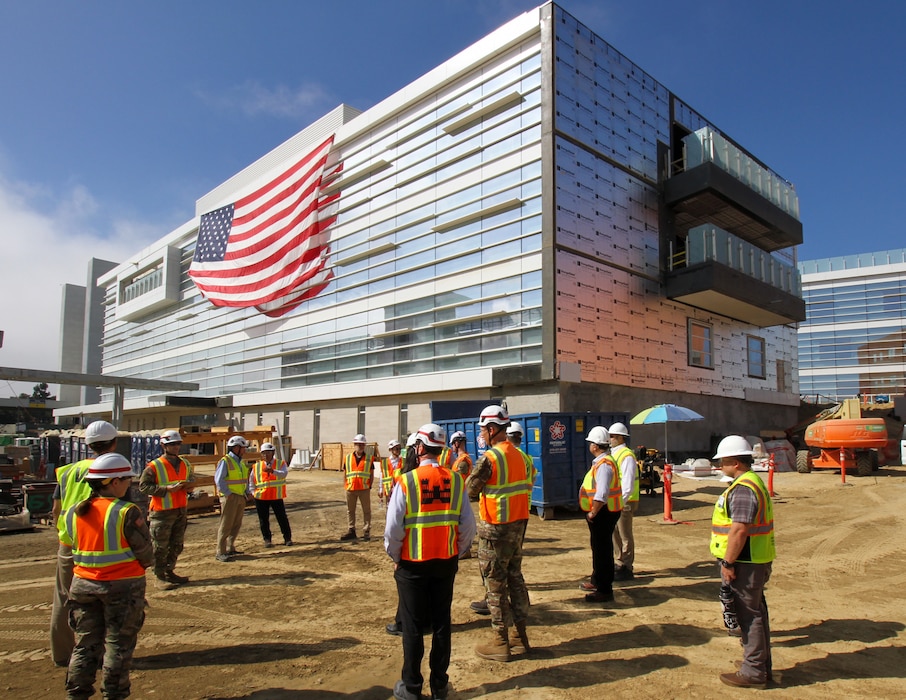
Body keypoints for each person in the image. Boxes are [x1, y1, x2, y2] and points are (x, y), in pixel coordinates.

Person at [384, 423, 476, 700]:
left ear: (420, 448)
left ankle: (411, 687)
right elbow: (469, 526)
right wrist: (455, 552)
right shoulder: (456, 480)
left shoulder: (406, 481)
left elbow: (393, 529)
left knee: (412, 628)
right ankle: (439, 687)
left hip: (412, 565)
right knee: (441, 625)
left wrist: (397, 556)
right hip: (445, 564)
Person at [61, 452, 153, 700]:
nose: (129, 484)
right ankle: (114, 695)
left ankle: (76, 694)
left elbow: (68, 543)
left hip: (82, 586)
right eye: (127, 480)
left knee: (84, 645)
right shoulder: (126, 512)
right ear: (114, 482)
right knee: (118, 645)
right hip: (122, 588)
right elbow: (146, 552)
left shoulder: (73, 512)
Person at [466, 405, 534, 662]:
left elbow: (470, 491)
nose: (481, 434)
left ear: (492, 429)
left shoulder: (490, 458)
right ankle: (520, 638)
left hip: (495, 529)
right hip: (517, 528)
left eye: (483, 430)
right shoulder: (519, 455)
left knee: (494, 584)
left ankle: (500, 641)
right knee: (515, 579)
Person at [49, 420, 120, 667]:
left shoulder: (67, 471)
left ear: (88, 444)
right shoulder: (112, 469)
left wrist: (64, 533)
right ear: (114, 442)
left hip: (69, 542)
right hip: (100, 543)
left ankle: (62, 654)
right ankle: (100, 654)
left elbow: (56, 508)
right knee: (102, 601)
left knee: (64, 597)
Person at [711, 435, 776, 689]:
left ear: (735, 462)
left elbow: (739, 530)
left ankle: (754, 671)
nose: (720, 465)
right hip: (754, 559)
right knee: (756, 612)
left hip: (745, 562)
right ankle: (759, 666)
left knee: (749, 616)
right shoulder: (752, 482)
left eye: (723, 461)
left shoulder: (743, 489)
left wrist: (728, 563)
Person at [139, 429, 194, 590]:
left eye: (177, 444)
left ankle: (170, 571)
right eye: (172, 444)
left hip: (180, 509)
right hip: (162, 511)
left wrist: (189, 487)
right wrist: (166, 489)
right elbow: (143, 486)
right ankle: (159, 576)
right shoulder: (154, 466)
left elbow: (190, 479)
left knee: (176, 544)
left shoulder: (185, 463)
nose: (176, 447)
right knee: (160, 546)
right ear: (164, 445)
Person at [578, 426, 623, 603]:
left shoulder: (604, 465)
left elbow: (602, 494)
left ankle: (604, 589)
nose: (589, 445)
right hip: (604, 512)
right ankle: (597, 580)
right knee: (598, 548)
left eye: (591, 443)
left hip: (602, 513)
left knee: (603, 550)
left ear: (595, 446)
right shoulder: (602, 462)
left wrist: (593, 512)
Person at [609, 422, 639, 581]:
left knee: (625, 534)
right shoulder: (615, 454)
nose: (610, 439)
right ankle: (620, 561)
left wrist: (621, 501)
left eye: (612, 436)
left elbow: (627, 483)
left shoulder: (626, 455)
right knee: (615, 533)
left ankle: (627, 566)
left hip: (625, 501)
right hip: (616, 501)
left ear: (620, 438)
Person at [249, 442, 293, 547]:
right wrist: (253, 492)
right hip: (261, 497)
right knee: (263, 520)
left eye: (268, 453)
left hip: (275, 496)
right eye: (264, 453)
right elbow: (251, 481)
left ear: (273, 453)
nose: (266, 455)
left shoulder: (280, 463)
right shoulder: (256, 466)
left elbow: (284, 474)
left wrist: (273, 471)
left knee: (282, 518)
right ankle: (267, 540)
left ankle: (287, 538)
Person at [215, 435, 250, 562]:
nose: (244, 450)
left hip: (240, 496)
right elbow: (219, 480)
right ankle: (221, 551)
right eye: (243, 448)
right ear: (236, 448)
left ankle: (230, 547)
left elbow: (243, 479)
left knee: (236, 524)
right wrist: (228, 494)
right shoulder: (225, 461)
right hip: (230, 497)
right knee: (226, 524)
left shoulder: (240, 462)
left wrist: (246, 492)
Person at [340, 434, 374, 541]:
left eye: (362, 445)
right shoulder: (348, 458)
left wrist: (369, 486)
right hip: (350, 488)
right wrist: (345, 485)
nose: (360, 446)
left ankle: (366, 531)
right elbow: (345, 473)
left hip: (364, 488)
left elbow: (371, 474)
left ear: (364, 446)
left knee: (366, 510)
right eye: (358, 444)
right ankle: (351, 530)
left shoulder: (369, 458)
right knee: (350, 510)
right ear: (354, 445)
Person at [379, 439, 403, 507]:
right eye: (397, 449)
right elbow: (382, 476)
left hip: (400, 488)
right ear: (390, 450)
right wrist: (380, 488)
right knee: (389, 508)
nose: (399, 450)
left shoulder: (403, 461)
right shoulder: (384, 462)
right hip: (388, 489)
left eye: (399, 448)